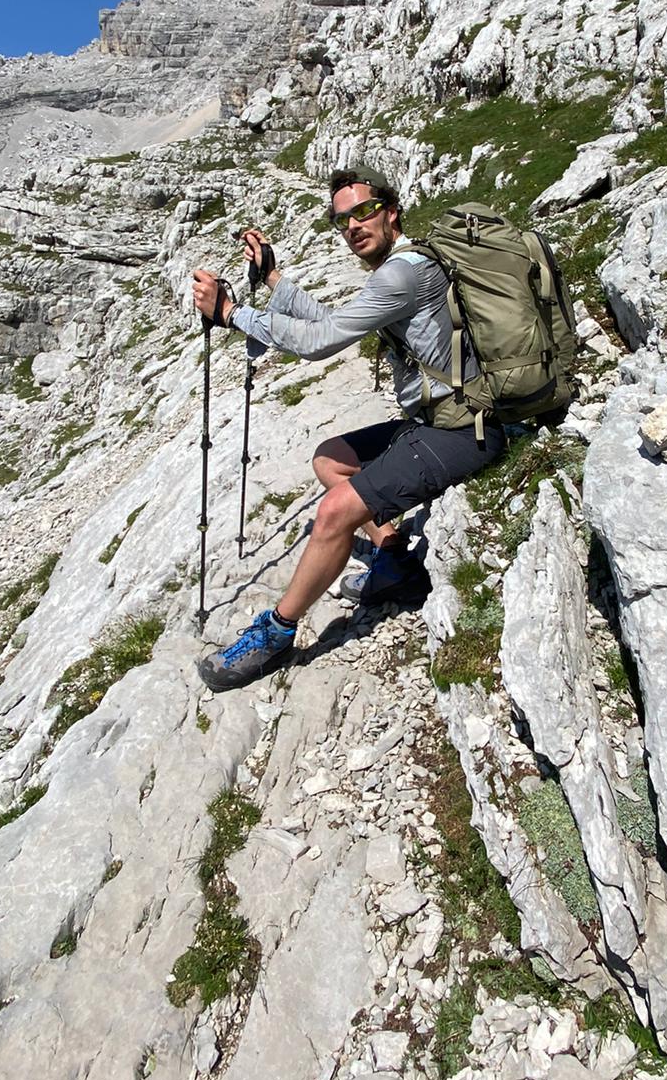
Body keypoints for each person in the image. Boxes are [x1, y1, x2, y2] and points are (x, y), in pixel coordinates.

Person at [190, 165, 506, 692]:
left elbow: (321, 341)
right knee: (330, 459)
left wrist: (232, 314)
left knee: (335, 511)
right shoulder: (402, 266)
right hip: (439, 419)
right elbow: (333, 321)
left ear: (390, 212)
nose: (353, 226)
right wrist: (273, 279)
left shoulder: (403, 274)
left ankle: (276, 634)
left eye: (363, 211)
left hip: (465, 429)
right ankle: (396, 564)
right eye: (343, 220)